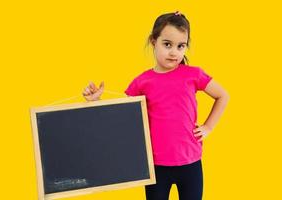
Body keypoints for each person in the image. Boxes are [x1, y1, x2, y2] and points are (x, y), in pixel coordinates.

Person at [82, 11, 229, 200]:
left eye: (181, 46)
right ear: (153, 41)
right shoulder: (142, 81)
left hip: (191, 162)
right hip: (156, 166)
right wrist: (97, 101)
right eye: (167, 44)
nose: (174, 52)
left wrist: (208, 126)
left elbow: (223, 95)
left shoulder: (193, 74)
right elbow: (121, 116)